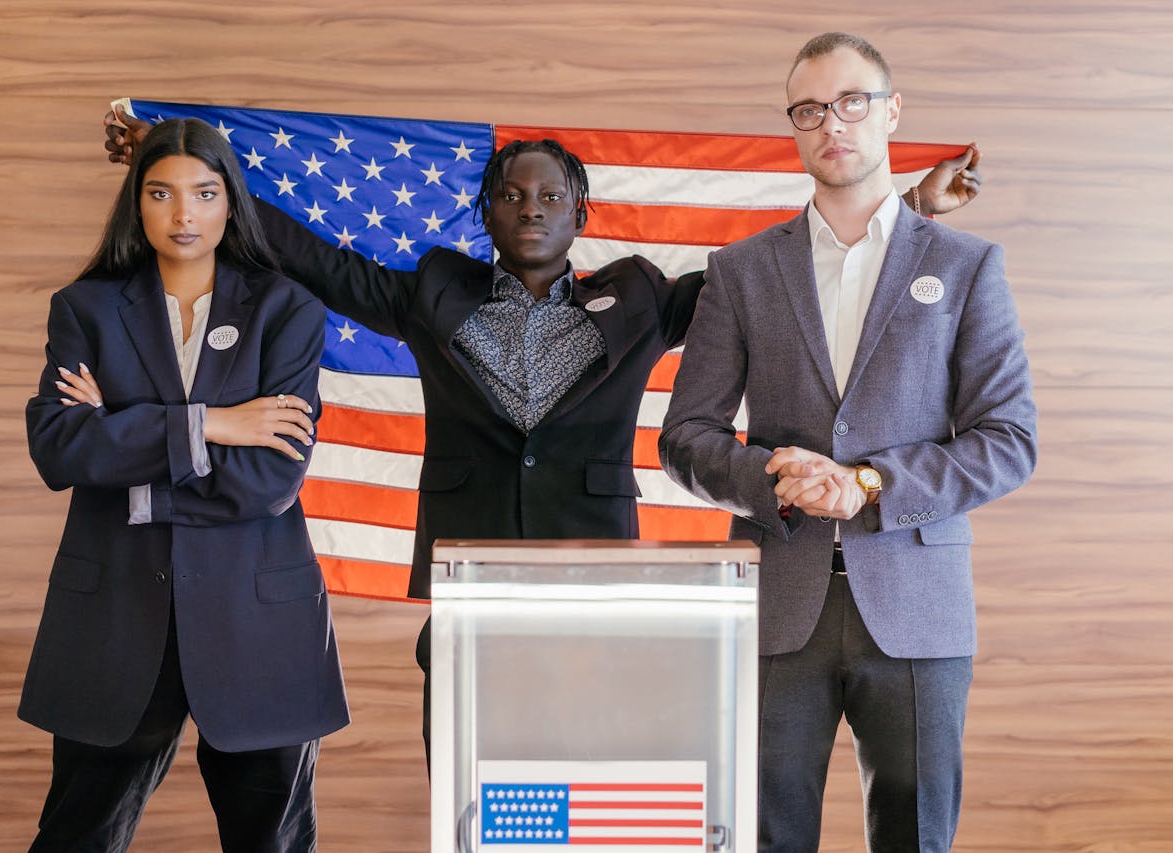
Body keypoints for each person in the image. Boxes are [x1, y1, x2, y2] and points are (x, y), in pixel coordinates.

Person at [104, 109, 981, 765]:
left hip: (594, 578)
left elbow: (779, 266)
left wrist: (908, 206)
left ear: (581, 213)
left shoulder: (638, 298)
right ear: (486, 212)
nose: (532, 208)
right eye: (513, 195)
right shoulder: (433, 292)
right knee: (469, 775)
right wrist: (197, 176)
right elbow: (318, 262)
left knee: (586, 779)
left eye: (551, 195)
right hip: (466, 575)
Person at [658, 32, 1036, 852]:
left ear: (891, 111)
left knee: (916, 836)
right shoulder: (742, 271)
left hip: (917, 605)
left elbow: (1009, 440)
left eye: (852, 101)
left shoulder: (967, 266)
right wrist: (777, 478)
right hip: (775, 606)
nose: (833, 123)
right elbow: (684, 436)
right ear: (794, 128)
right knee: (761, 835)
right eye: (810, 109)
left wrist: (867, 483)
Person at [21, 117, 349, 852]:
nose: (183, 213)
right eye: (161, 192)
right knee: (77, 836)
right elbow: (59, 448)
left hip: (257, 614)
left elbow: (272, 477)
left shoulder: (286, 310)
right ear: (136, 203)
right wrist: (213, 424)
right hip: (114, 609)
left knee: (273, 841)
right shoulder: (87, 308)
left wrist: (127, 445)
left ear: (230, 201)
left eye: (204, 193)